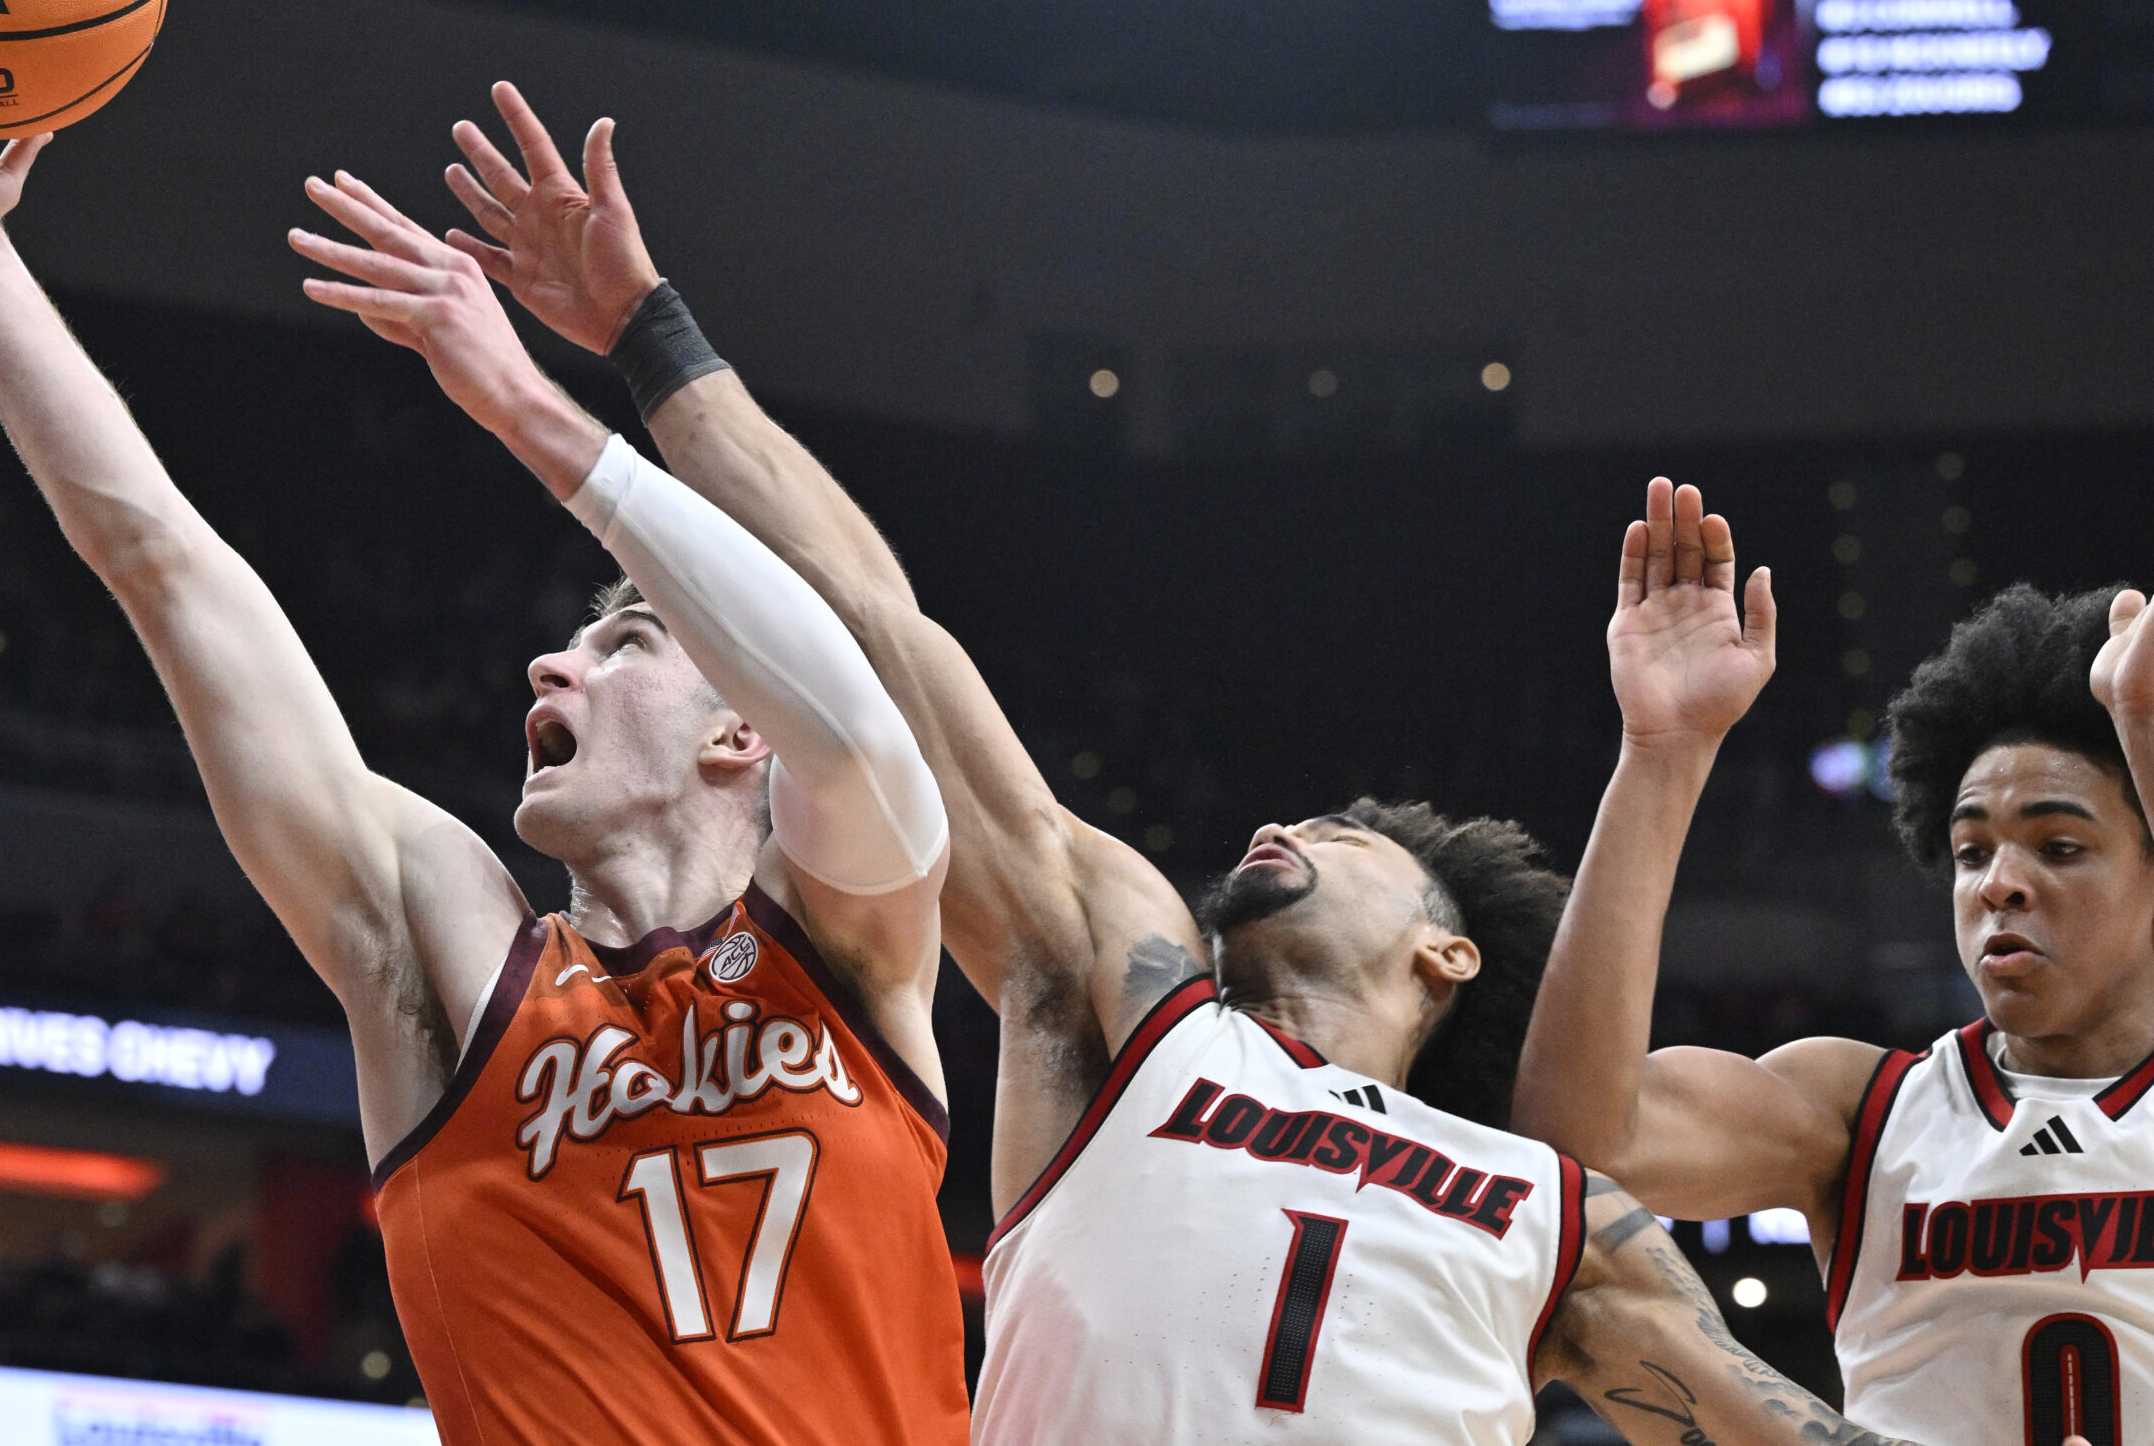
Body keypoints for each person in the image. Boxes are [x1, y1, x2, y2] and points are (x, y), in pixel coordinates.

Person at [293, 78, 1950, 1446]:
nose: (1289, 821)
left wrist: (1661, 763)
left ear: (1447, 951)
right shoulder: (1128, 1005)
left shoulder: (1545, 1204)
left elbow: (1773, 1426)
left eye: (1359, 839)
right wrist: (650, 338)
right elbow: (879, 631)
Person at [0, 38, 972, 1446]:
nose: (550, 658)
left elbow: (858, 723)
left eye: (622, 643)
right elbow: (166, 566)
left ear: (743, 727)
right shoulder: (448, 949)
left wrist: (532, 412)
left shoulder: (845, 939)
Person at [1511, 480, 2149, 1446]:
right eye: (1972, 851)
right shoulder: (1864, 1108)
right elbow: (1579, 1144)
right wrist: (1663, 753)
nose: (1999, 884)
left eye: (2058, 846)